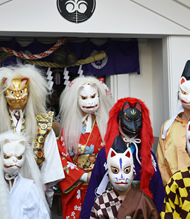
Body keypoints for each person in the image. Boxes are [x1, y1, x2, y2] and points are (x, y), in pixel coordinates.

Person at [0, 64, 64, 205]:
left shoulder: (44, 125)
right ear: (3, 94)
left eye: (21, 92)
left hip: (34, 190)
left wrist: (43, 188)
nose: (17, 97)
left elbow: (51, 163)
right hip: (1, 192)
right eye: (12, 92)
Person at [81, 98, 165, 218]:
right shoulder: (104, 154)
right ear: (118, 119)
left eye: (137, 120)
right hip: (109, 211)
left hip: (141, 212)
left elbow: (158, 193)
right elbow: (94, 188)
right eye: (127, 120)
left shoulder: (148, 156)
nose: (133, 125)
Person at [57, 76, 113, 219]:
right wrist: (83, 176)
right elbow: (61, 157)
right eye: (84, 97)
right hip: (77, 186)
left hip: (102, 184)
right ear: (76, 99)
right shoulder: (68, 129)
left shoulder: (107, 127)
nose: (90, 101)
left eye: (93, 96)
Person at [0, 132, 50, 219]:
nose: (14, 161)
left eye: (19, 157)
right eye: (7, 157)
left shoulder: (30, 188)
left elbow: (40, 215)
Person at [91, 135, 159, 219]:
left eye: (126, 170)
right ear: (108, 177)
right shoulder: (101, 201)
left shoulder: (143, 199)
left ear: (133, 175)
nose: (121, 176)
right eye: (115, 171)